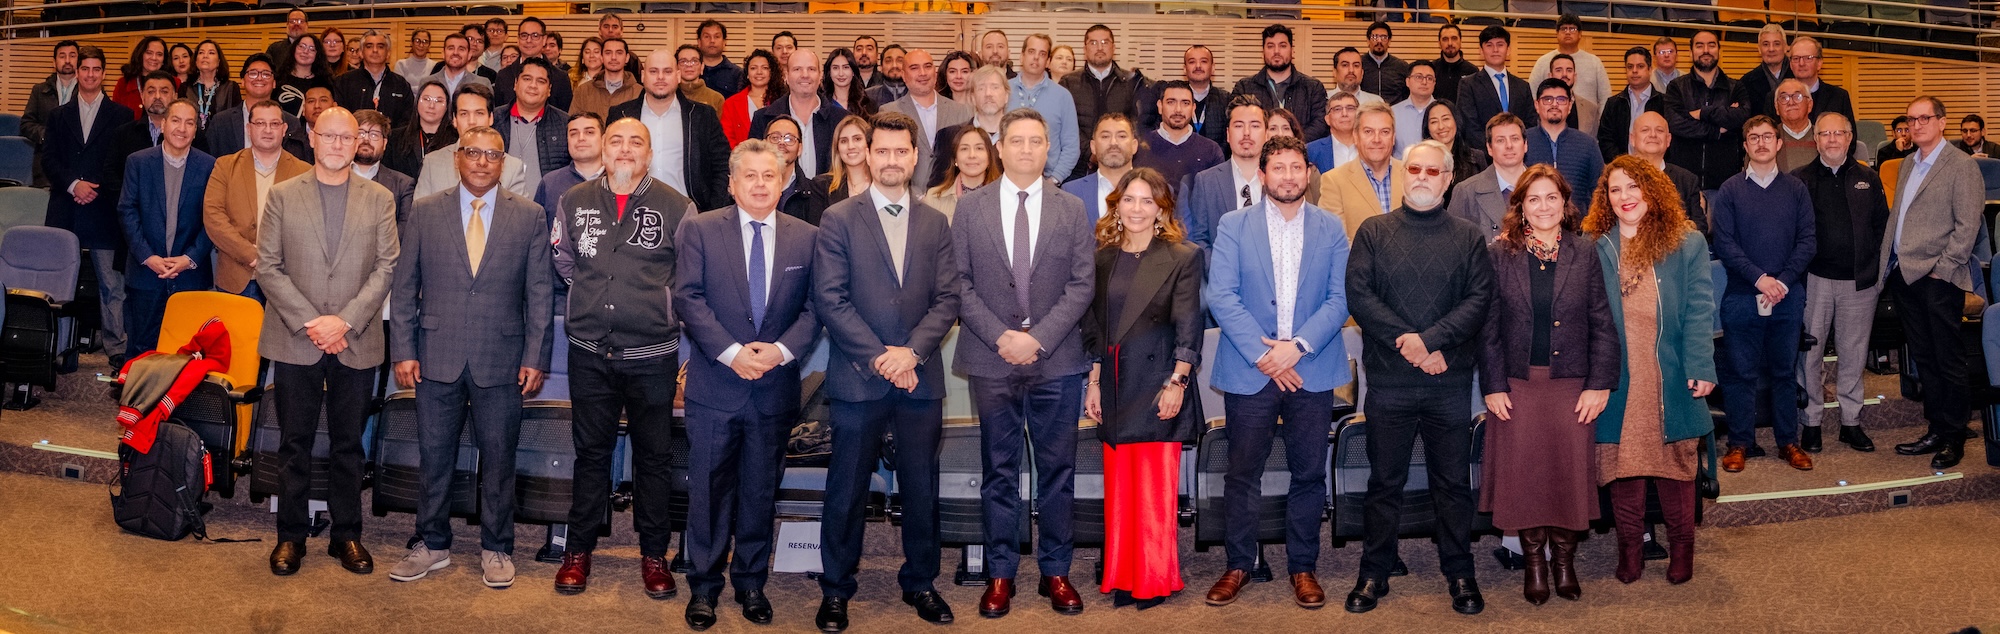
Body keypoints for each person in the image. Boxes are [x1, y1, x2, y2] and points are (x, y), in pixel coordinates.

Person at [810, 112, 962, 632]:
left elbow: (948, 299)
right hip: (859, 377)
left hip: (919, 377)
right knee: (847, 489)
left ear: (915, 157)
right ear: (868, 155)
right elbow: (830, 299)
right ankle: (835, 588)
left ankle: (921, 582)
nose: (892, 160)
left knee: (921, 488)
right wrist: (882, 358)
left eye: (902, 151)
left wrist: (911, 354)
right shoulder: (838, 218)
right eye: (883, 151)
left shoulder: (935, 222)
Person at [384, 122, 551, 589]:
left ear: (505, 163)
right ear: (457, 157)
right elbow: (405, 287)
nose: (482, 161)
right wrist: (403, 349)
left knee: (499, 459)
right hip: (435, 355)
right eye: (473, 152)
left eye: (492, 155)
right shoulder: (425, 211)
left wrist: (536, 357)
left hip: (503, 358)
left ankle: (497, 548)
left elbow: (540, 295)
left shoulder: (530, 216)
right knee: (434, 457)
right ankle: (432, 543)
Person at [951, 108, 1095, 619]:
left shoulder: (1071, 207)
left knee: (1058, 471)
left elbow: (1082, 284)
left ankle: (1056, 571)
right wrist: (1001, 337)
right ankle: (1000, 574)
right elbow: (958, 283)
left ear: (1047, 148)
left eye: (1037, 141)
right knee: (999, 471)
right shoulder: (970, 208)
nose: (1027, 149)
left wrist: (1039, 339)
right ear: (1001, 147)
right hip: (991, 359)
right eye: (1017, 140)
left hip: (1057, 360)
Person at [1200, 129, 1352, 610]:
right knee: (1243, 472)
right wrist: (1266, 356)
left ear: (1308, 174)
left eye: (1296, 168)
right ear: (1262, 175)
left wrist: (1297, 347)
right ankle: (1239, 563)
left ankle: (1303, 566)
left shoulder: (1331, 227)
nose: (1288, 176)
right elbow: (1221, 295)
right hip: (1252, 369)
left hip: (1311, 367)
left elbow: (1340, 297)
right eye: (1278, 168)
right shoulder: (1233, 224)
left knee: (1309, 472)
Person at [673, 138, 820, 630]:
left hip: (774, 387)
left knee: (760, 491)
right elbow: (688, 298)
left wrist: (780, 351)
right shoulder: (700, 229)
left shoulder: (807, 237)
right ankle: (704, 586)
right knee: (708, 491)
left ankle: (751, 583)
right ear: (732, 184)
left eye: (769, 176)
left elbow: (815, 308)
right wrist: (733, 353)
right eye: (750, 176)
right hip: (716, 385)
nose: (760, 184)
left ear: (782, 182)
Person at [1343, 139, 1492, 616]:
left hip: (1448, 382)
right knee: (1384, 482)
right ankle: (1374, 571)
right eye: (1415, 169)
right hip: (1390, 382)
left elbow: (1478, 300)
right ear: (1403, 175)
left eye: (1433, 171)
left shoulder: (1469, 236)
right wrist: (1411, 344)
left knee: (1452, 484)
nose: (1423, 177)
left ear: (1448, 179)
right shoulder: (1373, 231)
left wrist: (1429, 342)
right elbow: (1360, 296)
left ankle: (1460, 571)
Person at [548, 117, 695, 599]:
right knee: (591, 454)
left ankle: (654, 555)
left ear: (649, 154)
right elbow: (563, 258)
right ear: (603, 150)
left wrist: (652, 304)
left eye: (636, 142)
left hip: (653, 356)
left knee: (654, 458)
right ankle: (578, 550)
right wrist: (594, 294)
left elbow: (690, 274)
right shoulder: (574, 200)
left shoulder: (677, 206)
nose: (625, 149)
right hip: (589, 352)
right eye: (617, 141)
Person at [258, 106, 399, 577]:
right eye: (329, 135)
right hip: (294, 337)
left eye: (347, 137)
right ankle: (290, 536)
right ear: (312, 138)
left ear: (358, 142)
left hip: (356, 338)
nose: (338, 144)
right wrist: (313, 323)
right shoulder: (282, 195)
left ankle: (347, 536)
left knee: (348, 445)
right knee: (294, 443)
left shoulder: (379, 198)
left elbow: (386, 267)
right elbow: (268, 266)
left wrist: (344, 322)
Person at [1477, 163, 1618, 605]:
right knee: (1526, 479)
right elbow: (1488, 327)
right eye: (1533, 199)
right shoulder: (1500, 254)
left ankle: (1565, 562)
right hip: (1517, 386)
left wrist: (1600, 383)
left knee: (1566, 477)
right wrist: (1493, 385)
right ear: (1520, 207)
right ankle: (1535, 563)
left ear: (1564, 204)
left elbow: (1602, 322)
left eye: (1551, 197)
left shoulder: (1584, 251)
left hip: (1571, 387)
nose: (1543, 206)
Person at [1586, 155, 1716, 585]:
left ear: (1652, 190)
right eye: (1615, 189)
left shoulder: (1686, 241)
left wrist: (1701, 364)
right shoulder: (1595, 245)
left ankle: (1682, 549)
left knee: (1677, 462)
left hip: (1670, 371)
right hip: (1617, 374)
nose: (1625, 196)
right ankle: (1631, 549)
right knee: (1621, 463)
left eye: (1633, 186)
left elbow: (1700, 309)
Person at [1081, 167, 1203, 610]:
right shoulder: (1102, 258)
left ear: (1161, 209)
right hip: (1114, 385)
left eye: (1147, 201)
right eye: (1129, 200)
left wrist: (1177, 383)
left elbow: (1188, 326)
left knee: (1153, 492)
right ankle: (1123, 575)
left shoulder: (1183, 256)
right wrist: (1094, 383)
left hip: (1157, 385)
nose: (1137, 209)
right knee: (1120, 491)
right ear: (1117, 206)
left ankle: (1153, 578)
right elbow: (1096, 329)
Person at [1711, 115, 1817, 473]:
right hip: (1742, 296)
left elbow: (1807, 241)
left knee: (1784, 373)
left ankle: (1788, 442)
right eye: (1753, 137)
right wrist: (1760, 279)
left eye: (1767, 137)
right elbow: (1724, 244)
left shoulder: (1796, 189)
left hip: (1787, 296)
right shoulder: (1729, 190)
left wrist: (1781, 282)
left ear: (1779, 143)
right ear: (1745, 145)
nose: (1761, 143)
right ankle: (1739, 443)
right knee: (1741, 374)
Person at [1884, 96, 1986, 470]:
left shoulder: (1961, 165)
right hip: (1906, 275)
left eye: (1924, 118)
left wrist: (1943, 268)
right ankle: (1936, 428)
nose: (1916, 125)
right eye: (1911, 119)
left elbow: (1968, 225)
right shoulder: (1908, 163)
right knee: (1924, 358)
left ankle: (1954, 435)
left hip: (1939, 278)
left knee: (1948, 359)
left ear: (1942, 122)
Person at [1792, 112, 1888, 454]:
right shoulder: (1799, 180)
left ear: (1850, 138)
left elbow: (1882, 228)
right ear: (1815, 140)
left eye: (1838, 133)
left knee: (1853, 355)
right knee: (1810, 356)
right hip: (1814, 281)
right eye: (1825, 134)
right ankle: (1811, 422)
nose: (1832, 139)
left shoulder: (1868, 178)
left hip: (1859, 284)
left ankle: (1851, 422)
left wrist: (1877, 274)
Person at [42, 47, 136, 365]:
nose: (90, 74)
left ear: (104, 74)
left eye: (97, 69)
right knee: (58, 284)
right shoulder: (58, 115)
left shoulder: (122, 115)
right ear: (78, 72)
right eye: (85, 69)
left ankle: (117, 348)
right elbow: (49, 160)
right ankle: (56, 347)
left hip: (103, 210)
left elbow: (121, 164)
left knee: (112, 285)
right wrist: (74, 185)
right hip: (65, 208)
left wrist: (93, 187)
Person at [117, 99, 216, 358]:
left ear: (196, 130)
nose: (182, 128)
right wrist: (147, 256)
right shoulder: (138, 162)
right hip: (146, 273)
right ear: (162, 124)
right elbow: (127, 211)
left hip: (190, 276)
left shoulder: (210, 166)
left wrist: (190, 258)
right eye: (176, 120)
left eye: (189, 123)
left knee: (186, 354)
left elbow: (214, 219)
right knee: (141, 350)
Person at [203, 100, 311, 302]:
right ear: (248, 128)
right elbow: (213, 217)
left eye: (274, 124)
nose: (267, 130)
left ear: (284, 129)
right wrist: (251, 255)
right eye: (260, 123)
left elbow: (308, 225)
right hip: (237, 276)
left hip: (286, 279)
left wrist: (274, 258)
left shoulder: (304, 172)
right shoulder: (225, 166)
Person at [605, 48, 732, 212]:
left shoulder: (702, 116)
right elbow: (608, 163)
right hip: (632, 212)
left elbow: (722, 165)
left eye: (667, 71)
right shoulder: (621, 114)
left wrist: (711, 211)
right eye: (653, 71)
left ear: (678, 76)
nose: (660, 77)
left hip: (688, 213)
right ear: (643, 76)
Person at [1663, 30, 1749, 190]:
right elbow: (1675, 124)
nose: (1706, 50)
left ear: (1719, 51)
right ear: (1690, 53)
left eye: (1711, 45)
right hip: (1683, 183)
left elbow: (1741, 117)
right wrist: (1716, 130)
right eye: (1699, 46)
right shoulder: (1676, 87)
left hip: (1725, 183)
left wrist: (1702, 113)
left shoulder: (1736, 87)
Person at [1059, 25, 1146, 181]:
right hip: (1078, 168)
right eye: (1093, 43)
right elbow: (1066, 127)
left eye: (1105, 42)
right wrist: (1091, 153)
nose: (1099, 48)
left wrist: (1115, 149)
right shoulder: (1068, 83)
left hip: (1120, 164)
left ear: (1113, 48)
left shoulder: (1130, 82)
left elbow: (1137, 123)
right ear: (1085, 49)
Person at [415, 84, 529, 199]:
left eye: (479, 113)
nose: (472, 121)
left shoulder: (512, 167)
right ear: (455, 119)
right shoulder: (432, 163)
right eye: (464, 114)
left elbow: (518, 210)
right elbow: (421, 209)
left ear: (491, 118)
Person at [880, 49, 973, 190]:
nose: (922, 73)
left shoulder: (963, 112)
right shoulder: (889, 112)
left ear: (935, 72)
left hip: (952, 195)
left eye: (927, 66)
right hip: (907, 195)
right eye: (914, 68)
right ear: (904, 75)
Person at [1183, 95, 1267, 249]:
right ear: (1228, 134)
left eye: (1255, 126)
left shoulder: (1279, 180)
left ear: (1267, 134)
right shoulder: (1207, 181)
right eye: (1239, 126)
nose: (1246, 133)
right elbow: (1199, 239)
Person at [750, 49, 848, 179]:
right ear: (786, 76)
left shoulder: (842, 120)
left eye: (811, 69)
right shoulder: (763, 119)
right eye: (797, 69)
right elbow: (753, 166)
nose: (805, 75)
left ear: (820, 76)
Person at [1318, 103, 1403, 239]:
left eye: (1385, 132)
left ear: (1393, 138)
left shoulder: (1412, 175)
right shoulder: (1334, 181)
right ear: (1356, 137)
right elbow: (1335, 240)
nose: (1377, 139)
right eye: (1368, 132)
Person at [207, 53, 311, 161]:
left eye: (266, 74)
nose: (260, 78)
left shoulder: (291, 123)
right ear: (242, 81)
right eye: (253, 74)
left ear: (274, 83)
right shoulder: (221, 121)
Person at [1234, 24, 1328, 142]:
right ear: (1262, 52)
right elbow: (1237, 123)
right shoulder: (1244, 88)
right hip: (1259, 152)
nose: (1276, 51)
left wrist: (1292, 144)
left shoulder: (1313, 87)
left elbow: (1320, 124)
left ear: (1292, 51)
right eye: (1270, 46)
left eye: (1282, 46)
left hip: (1302, 151)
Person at [1008, 34, 1081, 181]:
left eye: (1042, 54)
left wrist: (1055, 179)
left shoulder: (1062, 96)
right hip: (1007, 178)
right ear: (1021, 57)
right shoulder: (1004, 90)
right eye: (1031, 52)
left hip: (1047, 179)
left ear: (1048, 61)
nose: (1036, 58)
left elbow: (1071, 146)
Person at [1525, 78, 1604, 212]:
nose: (1554, 104)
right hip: (1534, 220)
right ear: (1537, 105)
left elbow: (1599, 190)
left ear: (1570, 106)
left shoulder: (1588, 144)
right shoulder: (1522, 142)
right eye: (1547, 99)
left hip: (1578, 223)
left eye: (1561, 99)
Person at [1447, 112, 1527, 240]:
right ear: (1489, 148)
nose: (1509, 145)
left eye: (1515, 139)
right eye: (1500, 140)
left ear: (1525, 144)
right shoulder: (1466, 192)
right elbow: (1454, 244)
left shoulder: (1546, 188)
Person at [492, 58, 570, 188]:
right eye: (527, 79)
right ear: (515, 84)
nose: (533, 85)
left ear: (549, 90)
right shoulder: (493, 120)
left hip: (546, 201)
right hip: (499, 199)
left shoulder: (565, 124)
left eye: (541, 81)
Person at [1134, 81, 1225, 190]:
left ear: (1193, 108)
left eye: (1185, 103)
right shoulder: (1140, 147)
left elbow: (1217, 195)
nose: (1178, 110)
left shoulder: (1211, 150)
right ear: (1160, 106)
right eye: (1171, 102)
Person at [1136, 46, 1230, 149]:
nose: (1198, 66)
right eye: (1192, 62)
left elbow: (1229, 137)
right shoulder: (1165, 95)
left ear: (1213, 68)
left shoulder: (1225, 99)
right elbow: (1145, 128)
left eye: (1203, 61)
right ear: (1184, 69)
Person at [1629, 112, 1708, 234]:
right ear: (1632, 139)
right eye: (1645, 130)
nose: (1653, 135)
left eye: (1659, 130)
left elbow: (1700, 228)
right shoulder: (1619, 177)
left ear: (1668, 140)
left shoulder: (1686, 180)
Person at [1456, 26, 1533, 150]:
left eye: (1500, 45)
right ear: (1481, 51)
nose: (1495, 50)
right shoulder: (1468, 85)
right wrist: (1495, 149)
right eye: (1489, 45)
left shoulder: (1523, 86)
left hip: (1518, 154)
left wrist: (1517, 148)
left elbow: (1530, 124)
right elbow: (1470, 127)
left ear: (1508, 50)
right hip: (1484, 154)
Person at [1528, 15, 1609, 125]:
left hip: (1586, 127)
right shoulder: (1543, 62)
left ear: (1580, 34)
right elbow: (1532, 96)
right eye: (1563, 29)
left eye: (1572, 29)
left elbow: (1605, 98)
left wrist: (1601, 126)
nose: (1567, 32)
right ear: (1557, 34)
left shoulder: (1594, 62)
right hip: (1550, 124)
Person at [534, 112, 606, 233]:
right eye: (573, 134)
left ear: (604, 139)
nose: (581, 138)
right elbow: (537, 233)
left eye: (589, 132)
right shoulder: (550, 183)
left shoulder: (618, 182)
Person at [1063, 113, 1139, 221]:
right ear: (1093, 147)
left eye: (1122, 136)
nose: (1113, 143)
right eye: (1105, 136)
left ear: (1134, 145)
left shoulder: (1156, 189)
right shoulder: (1071, 191)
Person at [331, 30, 415, 129]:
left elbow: (407, 122)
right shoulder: (344, 82)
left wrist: (387, 137)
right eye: (369, 46)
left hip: (392, 138)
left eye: (380, 46)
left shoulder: (401, 85)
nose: (375, 50)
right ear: (361, 53)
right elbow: (340, 117)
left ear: (388, 53)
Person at [492, 18, 574, 114]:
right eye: (524, 35)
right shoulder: (504, 75)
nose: (529, 40)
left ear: (544, 39)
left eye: (535, 36)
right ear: (518, 39)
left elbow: (564, 116)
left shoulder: (560, 77)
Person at [762, 115, 832, 225]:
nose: (782, 143)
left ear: (800, 149)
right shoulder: (750, 189)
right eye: (775, 138)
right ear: (764, 144)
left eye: (789, 139)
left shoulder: (815, 194)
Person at [351, 110, 415, 223]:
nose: (366, 139)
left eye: (374, 135)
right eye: (360, 133)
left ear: (384, 143)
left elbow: (404, 229)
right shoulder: (335, 177)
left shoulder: (402, 185)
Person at [920, 125, 997, 221]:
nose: (972, 155)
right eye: (964, 149)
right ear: (955, 158)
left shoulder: (1004, 197)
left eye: (979, 148)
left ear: (989, 157)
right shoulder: (934, 198)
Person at [1599, 47, 1661, 162]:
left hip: (1656, 167)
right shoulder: (1613, 103)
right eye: (1630, 67)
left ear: (1650, 69)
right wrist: (1624, 163)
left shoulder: (1663, 102)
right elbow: (1605, 140)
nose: (1634, 71)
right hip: (1621, 166)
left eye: (1640, 66)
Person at [21, 40, 82, 153]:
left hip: (79, 156)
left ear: (79, 61)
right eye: (62, 56)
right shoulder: (39, 90)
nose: (67, 60)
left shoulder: (89, 91)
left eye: (72, 56)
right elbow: (26, 124)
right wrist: (47, 135)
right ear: (54, 63)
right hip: (46, 155)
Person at [386, 81, 455, 180]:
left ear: (447, 107)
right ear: (417, 101)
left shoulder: (455, 140)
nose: (431, 106)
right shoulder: (394, 138)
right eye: (426, 99)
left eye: (438, 101)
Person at [1420, 100, 1486, 197]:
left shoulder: (1476, 158)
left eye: (1446, 119)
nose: (1441, 126)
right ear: (1428, 128)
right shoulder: (1421, 161)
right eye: (1434, 122)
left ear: (1456, 121)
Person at [721, 49, 782, 147]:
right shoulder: (731, 103)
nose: (759, 72)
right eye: (753, 68)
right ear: (747, 74)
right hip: (741, 155)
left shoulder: (781, 101)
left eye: (765, 68)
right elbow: (727, 138)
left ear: (771, 73)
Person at [183, 41, 240, 144]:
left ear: (219, 61)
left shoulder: (231, 87)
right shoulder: (185, 87)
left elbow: (236, 121)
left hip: (223, 142)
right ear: (196, 61)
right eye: (201, 53)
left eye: (211, 53)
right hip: (191, 142)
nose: (205, 56)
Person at [1785, 37, 1852, 124]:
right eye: (1796, 58)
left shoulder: (1839, 97)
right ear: (1790, 64)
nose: (1801, 63)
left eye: (1808, 58)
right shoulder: (1777, 97)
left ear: (1819, 63)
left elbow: (1850, 132)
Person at [572, 38, 637, 121]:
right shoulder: (582, 91)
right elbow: (573, 124)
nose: (613, 57)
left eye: (619, 53)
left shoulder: (639, 92)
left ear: (627, 58)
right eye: (608, 53)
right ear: (602, 57)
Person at [815, 114, 873, 205]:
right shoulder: (821, 185)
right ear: (837, 148)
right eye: (844, 141)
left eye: (857, 139)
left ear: (869, 143)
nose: (851, 146)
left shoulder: (882, 183)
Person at [1739, 25, 1792, 122]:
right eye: (1766, 44)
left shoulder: (1798, 77)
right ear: (1759, 49)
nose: (1771, 49)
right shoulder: (1746, 82)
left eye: (1777, 44)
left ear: (1785, 47)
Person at [274, 35, 332, 119]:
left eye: (312, 49)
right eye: (301, 46)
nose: (305, 51)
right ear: (294, 49)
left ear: (317, 54)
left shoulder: (325, 82)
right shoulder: (279, 78)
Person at [1390, 60, 1438, 157]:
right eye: (1419, 77)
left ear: (1434, 83)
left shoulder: (1443, 112)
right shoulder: (1393, 112)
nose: (1424, 82)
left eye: (1429, 78)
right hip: (1401, 166)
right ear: (1407, 82)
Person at [1305, 92, 1361, 173]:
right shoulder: (1311, 150)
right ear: (1327, 119)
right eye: (1337, 109)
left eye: (1350, 108)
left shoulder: (1373, 147)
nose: (1344, 114)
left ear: (1359, 116)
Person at [112, 37, 169, 117]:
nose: (154, 58)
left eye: (159, 54)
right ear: (140, 55)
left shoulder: (174, 83)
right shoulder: (124, 83)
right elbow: (115, 115)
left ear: (164, 59)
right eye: (149, 53)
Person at [422, 33, 491, 98]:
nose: (455, 53)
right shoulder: (426, 83)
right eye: (451, 48)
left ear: (469, 55)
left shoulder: (482, 84)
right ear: (443, 54)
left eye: (461, 49)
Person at [1545, 55, 1600, 136]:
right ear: (1550, 76)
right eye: (1559, 70)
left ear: (1575, 76)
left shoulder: (1591, 109)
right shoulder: (1541, 107)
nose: (1564, 74)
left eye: (1569, 70)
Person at [1431, 23, 1477, 117]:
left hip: (1464, 122)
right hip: (1437, 119)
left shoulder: (1472, 71)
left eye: (1454, 38)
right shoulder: (1431, 69)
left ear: (1460, 41)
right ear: (1439, 43)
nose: (1450, 43)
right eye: (1445, 39)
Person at [1773, 79, 1820, 172]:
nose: (1791, 103)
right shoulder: (1768, 139)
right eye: (1784, 98)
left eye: (1798, 97)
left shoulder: (1824, 137)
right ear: (1777, 107)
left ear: (1809, 105)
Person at [1361, 22, 1412, 105]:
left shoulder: (1402, 66)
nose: (1379, 41)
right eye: (1375, 37)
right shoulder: (1359, 64)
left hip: (1394, 111)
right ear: (1368, 40)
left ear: (1389, 41)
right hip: (1365, 110)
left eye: (1383, 37)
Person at [698, 20, 746, 99]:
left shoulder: (737, 74)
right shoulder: (691, 71)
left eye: (717, 37)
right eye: (707, 36)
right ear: (699, 42)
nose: (712, 41)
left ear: (724, 42)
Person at [823, 48, 876, 117]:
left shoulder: (867, 104)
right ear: (829, 72)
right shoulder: (822, 104)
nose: (841, 73)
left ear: (853, 71)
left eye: (846, 67)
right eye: (835, 68)